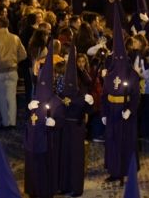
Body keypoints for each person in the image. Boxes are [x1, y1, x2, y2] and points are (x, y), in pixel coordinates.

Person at [102, 4, 140, 183]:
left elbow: (136, 96)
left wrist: (130, 109)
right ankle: (113, 170)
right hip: (112, 112)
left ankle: (126, 170)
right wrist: (103, 112)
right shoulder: (109, 74)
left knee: (125, 142)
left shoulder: (131, 73)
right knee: (112, 141)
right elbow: (104, 95)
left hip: (124, 112)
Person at [25, 38, 65, 198]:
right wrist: (29, 115)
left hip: (48, 145)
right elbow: (30, 122)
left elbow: (60, 121)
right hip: (33, 143)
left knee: (45, 170)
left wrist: (54, 123)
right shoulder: (35, 101)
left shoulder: (56, 102)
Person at [58, 44, 94, 197]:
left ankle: (76, 187)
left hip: (76, 123)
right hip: (65, 123)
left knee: (76, 157)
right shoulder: (62, 80)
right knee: (65, 155)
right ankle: (65, 184)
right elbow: (58, 97)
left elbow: (85, 102)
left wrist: (84, 104)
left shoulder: (83, 80)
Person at [0, 17, 27, 129]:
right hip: (13, 70)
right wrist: (15, 60)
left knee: (1, 97)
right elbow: (23, 54)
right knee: (11, 97)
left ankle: (5, 122)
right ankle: (12, 122)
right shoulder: (15, 38)